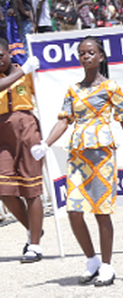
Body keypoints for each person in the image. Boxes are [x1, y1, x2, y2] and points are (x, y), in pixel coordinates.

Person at [35, 36, 123, 287]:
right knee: (73, 211)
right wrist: (45, 143)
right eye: (82, 53)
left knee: (101, 212)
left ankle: (107, 265)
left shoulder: (111, 87)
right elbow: (64, 120)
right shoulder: (74, 89)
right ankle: (91, 260)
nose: (86, 56)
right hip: (78, 154)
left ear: (100, 57)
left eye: (91, 52)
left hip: (101, 154)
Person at [0, 43, 42, 262]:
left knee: (31, 187)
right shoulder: (23, 70)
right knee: (4, 188)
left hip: (26, 129)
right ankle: (33, 228)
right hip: (1, 134)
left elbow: (44, 96)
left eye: (1, 55)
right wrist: (23, 71)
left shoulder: (27, 72)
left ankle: (34, 244)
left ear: (8, 53)